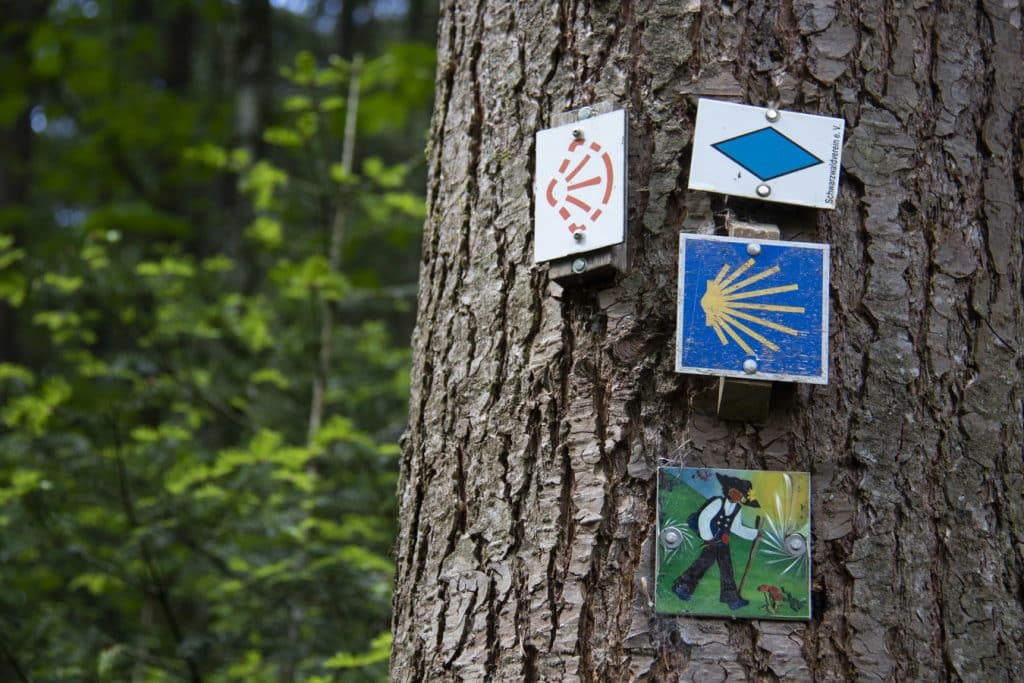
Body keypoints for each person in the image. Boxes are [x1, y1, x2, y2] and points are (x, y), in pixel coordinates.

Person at [672, 473, 761, 609]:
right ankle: (683, 587)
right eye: (735, 492)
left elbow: (736, 528)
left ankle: (731, 599)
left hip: (722, 541)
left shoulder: (737, 509)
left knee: (724, 566)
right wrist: (709, 538)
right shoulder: (718, 502)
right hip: (711, 538)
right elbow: (704, 518)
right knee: (706, 563)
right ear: (729, 490)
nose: (737, 496)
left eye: (740, 495)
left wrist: (754, 534)